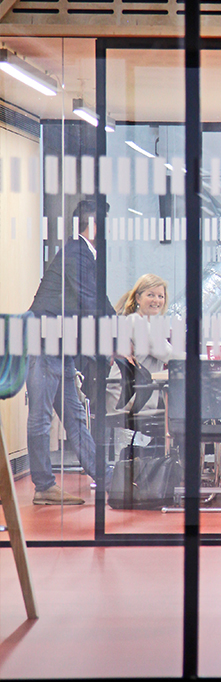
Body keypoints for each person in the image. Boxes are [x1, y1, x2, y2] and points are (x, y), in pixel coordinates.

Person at [26, 199, 114, 505]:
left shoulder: (85, 255)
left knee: (74, 415)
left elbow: (99, 300)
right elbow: (91, 303)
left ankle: (104, 476)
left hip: (60, 343)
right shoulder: (76, 254)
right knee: (41, 415)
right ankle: (44, 486)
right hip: (45, 340)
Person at [108, 274, 171, 413]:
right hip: (127, 401)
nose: (157, 300)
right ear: (138, 298)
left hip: (136, 399)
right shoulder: (137, 323)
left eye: (161, 296)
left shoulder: (147, 324)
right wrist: (201, 358)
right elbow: (169, 354)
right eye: (151, 295)